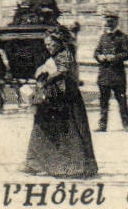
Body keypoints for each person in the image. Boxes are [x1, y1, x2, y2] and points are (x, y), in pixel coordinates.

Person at [22, 26, 98, 179]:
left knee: (68, 131)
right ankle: (37, 162)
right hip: (55, 96)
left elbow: (62, 71)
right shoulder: (56, 55)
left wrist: (46, 79)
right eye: (46, 45)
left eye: (50, 44)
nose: (48, 47)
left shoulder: (65, 55)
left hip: (66, 99)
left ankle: (71, 166)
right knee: (43, 126)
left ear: (58, 42)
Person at [93, 10, 128, 132]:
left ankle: (126, 125)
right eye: (107, 21)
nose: (109, 23)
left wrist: (114, 58)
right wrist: (99, 57)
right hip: (104, 75)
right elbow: (96, 52)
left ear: (116, 22)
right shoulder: (103, 37)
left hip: (117, 75)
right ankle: (102, 125)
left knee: (122, 101)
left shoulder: (122, 37)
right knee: (103, 102)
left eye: (111, 21)